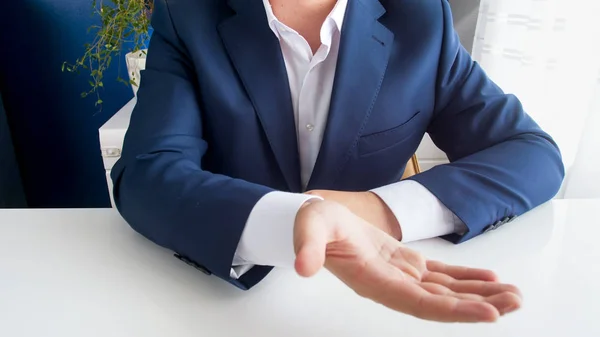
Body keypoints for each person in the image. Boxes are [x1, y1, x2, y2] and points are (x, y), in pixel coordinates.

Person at [111, 0, 564, 323]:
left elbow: (532, 153)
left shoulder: (421, 16)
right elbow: (147, 173)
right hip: (224, 304)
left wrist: (374, 212)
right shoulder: (188, 13)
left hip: (375, 309)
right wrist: (292, 219)